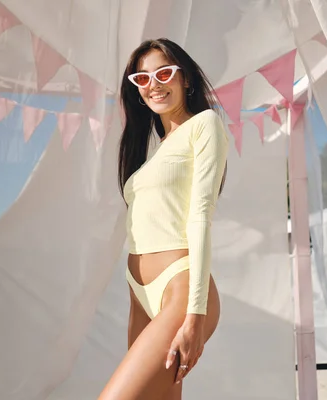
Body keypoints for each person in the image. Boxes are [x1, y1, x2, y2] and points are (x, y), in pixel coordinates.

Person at [98, 38, 229, 400]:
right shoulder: (152, 155)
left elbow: (201, 216)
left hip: (180, 289)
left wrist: (196, 316)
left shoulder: (204, 125)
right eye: (142, 79)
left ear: (185, 79)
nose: (153, 84)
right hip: (138, 293)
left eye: (164, 73)